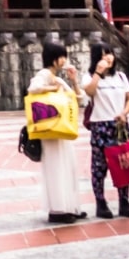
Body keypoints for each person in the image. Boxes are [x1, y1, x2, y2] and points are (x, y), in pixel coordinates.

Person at [29, 40, 86, 222]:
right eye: (61, 57)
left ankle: (70, 206)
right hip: (50, 130)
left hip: (61, 128)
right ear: (53, 59)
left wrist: (74, 81)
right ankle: (57, 210)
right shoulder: (44, 74)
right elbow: (33, 88)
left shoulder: (58, 78)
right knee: (56, 167)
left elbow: (78, 98)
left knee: (67, 166)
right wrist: (53, 87)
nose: (64, 60)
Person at [83, 42, 129, 220]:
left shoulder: (120, 77)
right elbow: (89, 92)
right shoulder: (89, 76)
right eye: (105, 54)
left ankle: (124, 201)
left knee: (124, 163)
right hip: (100, 126)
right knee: (99, 167)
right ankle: (101, 202)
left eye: (111, 53)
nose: (109, 57)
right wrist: (98, 73)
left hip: (120, 124)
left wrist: (124, 112)